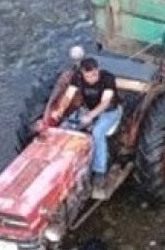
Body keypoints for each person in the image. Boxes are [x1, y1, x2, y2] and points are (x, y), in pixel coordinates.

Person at [49, 57, 121, 198]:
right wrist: (60, 110)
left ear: (98, 69)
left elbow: (106, 102)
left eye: (94, 74)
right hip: (87, 109)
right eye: (87, 76)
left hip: (109, 112)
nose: (91, 79)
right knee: (64, 128)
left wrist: (91, 116)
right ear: (82, 73)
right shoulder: (78, 78)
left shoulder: (108, 79)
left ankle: (99, 171)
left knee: (97, 132)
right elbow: (68, 96)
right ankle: (60, 162)